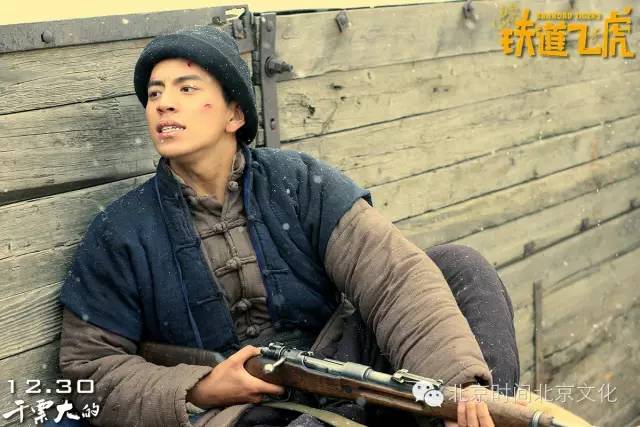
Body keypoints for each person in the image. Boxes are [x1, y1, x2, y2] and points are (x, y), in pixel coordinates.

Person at [54, 25, 519, 427]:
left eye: (186, 89)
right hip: (238, 417)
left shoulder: (297, 182)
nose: (164, 105)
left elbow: (392, 277)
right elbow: (89, 368)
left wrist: (458, 391)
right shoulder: (119, 231)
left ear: (235, 114)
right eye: (155, 94)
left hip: (340, 368)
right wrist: (200, 387)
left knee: (459, 267)